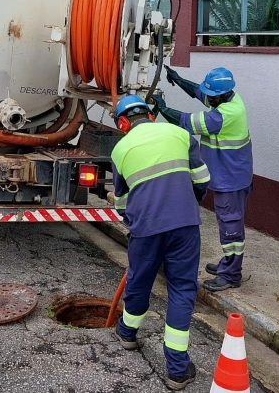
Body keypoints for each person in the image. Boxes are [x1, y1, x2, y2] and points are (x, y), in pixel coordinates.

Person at [110, 94, 211, 391]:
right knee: (181, 289)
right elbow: (202, 179)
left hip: (146, 229)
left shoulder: (120, 150)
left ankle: (127, 333)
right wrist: (188, 202)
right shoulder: (180, 134)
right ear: (151, 116)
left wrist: (134, 222)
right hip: (184, 226)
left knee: (140, 281)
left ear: (124, 122)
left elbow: (122, 202)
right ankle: (178, 370)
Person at [151, 66, 253, 293]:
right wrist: (178, 80)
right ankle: (228, 264)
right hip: (231, 173)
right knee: (229, 225)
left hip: (232, 180)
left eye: (211, 95)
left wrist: (163, 108)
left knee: (231, 228)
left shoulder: (225, 115)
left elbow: (187, 122)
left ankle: (231, 274)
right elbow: (199, 92)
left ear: (222, 95)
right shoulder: (227, 98)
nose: (207, 97)